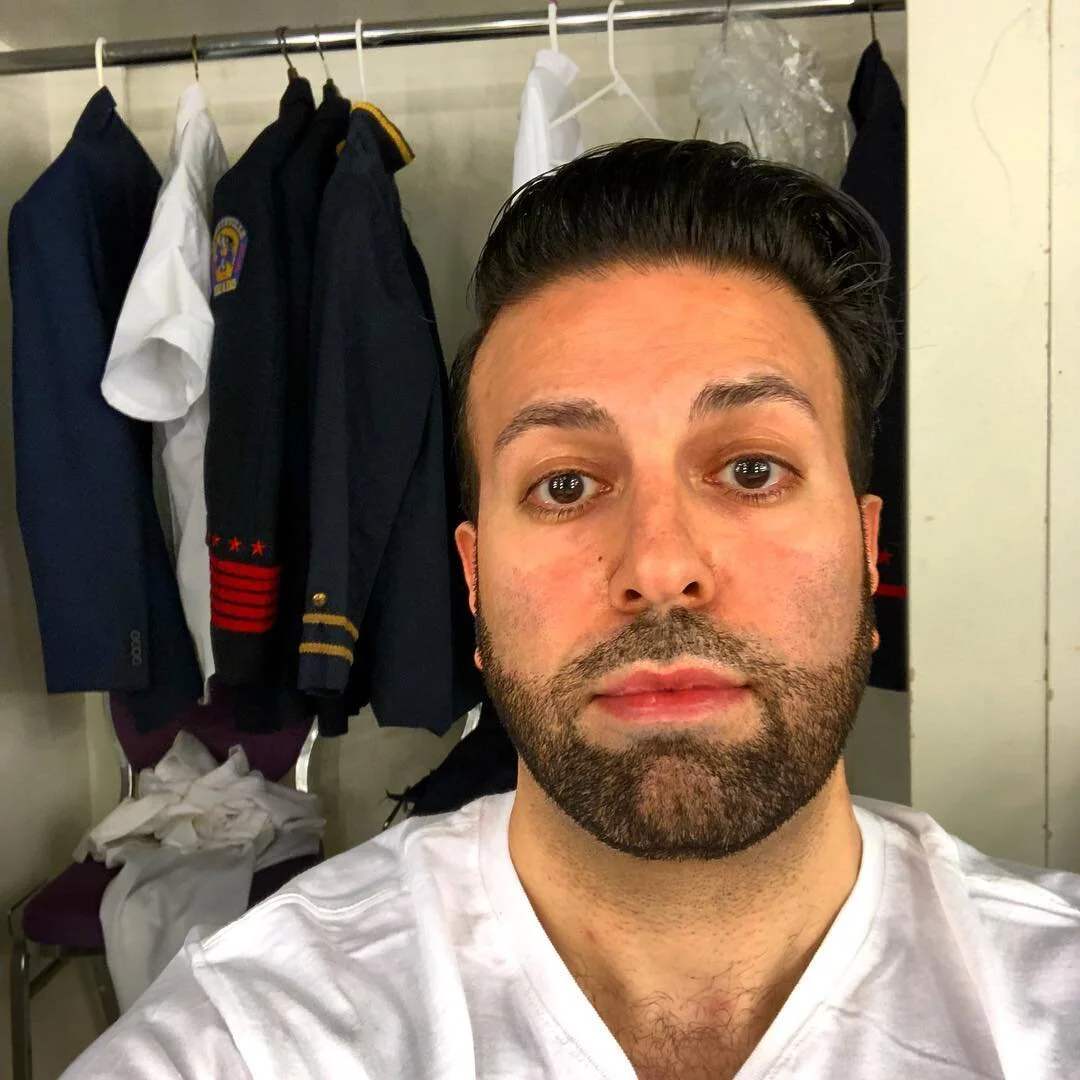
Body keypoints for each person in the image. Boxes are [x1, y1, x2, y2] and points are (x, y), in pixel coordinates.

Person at [63, 140, 1080, 1080]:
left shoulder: (1048, 1002)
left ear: (868, 553)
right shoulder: (251, 1038)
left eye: (753, 467)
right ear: (470, 580)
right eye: (563, 485)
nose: (658, 564)